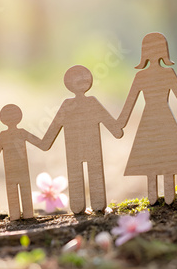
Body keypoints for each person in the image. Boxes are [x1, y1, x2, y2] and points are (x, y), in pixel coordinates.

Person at [118, 32, 177, 205]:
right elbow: (130, 102)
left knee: (159, 152)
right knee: (157, 153)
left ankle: (159, 195)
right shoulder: (156, 75)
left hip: (154, 117)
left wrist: (119, 124)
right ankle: (161, 196)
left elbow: (129, 104)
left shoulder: (148, 75)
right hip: (160, 116)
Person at [41, 65, 123, 213]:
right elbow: (112, 125)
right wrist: (117, 130)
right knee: (83, 175)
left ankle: (88, 205)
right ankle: (86, 205)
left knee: (85, 174)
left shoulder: (70, 104)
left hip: (82, 148)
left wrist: (45, 142)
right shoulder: (86, 102)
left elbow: (52, 130)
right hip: (81, 149)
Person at [0, 104, 46, 220]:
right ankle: (25, 214)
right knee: (23, 190)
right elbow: (41, 144)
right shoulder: (20, 133)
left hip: (14, 172)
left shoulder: (4, 135)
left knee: (15, 191)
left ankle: (17, 215)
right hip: (19, 171)